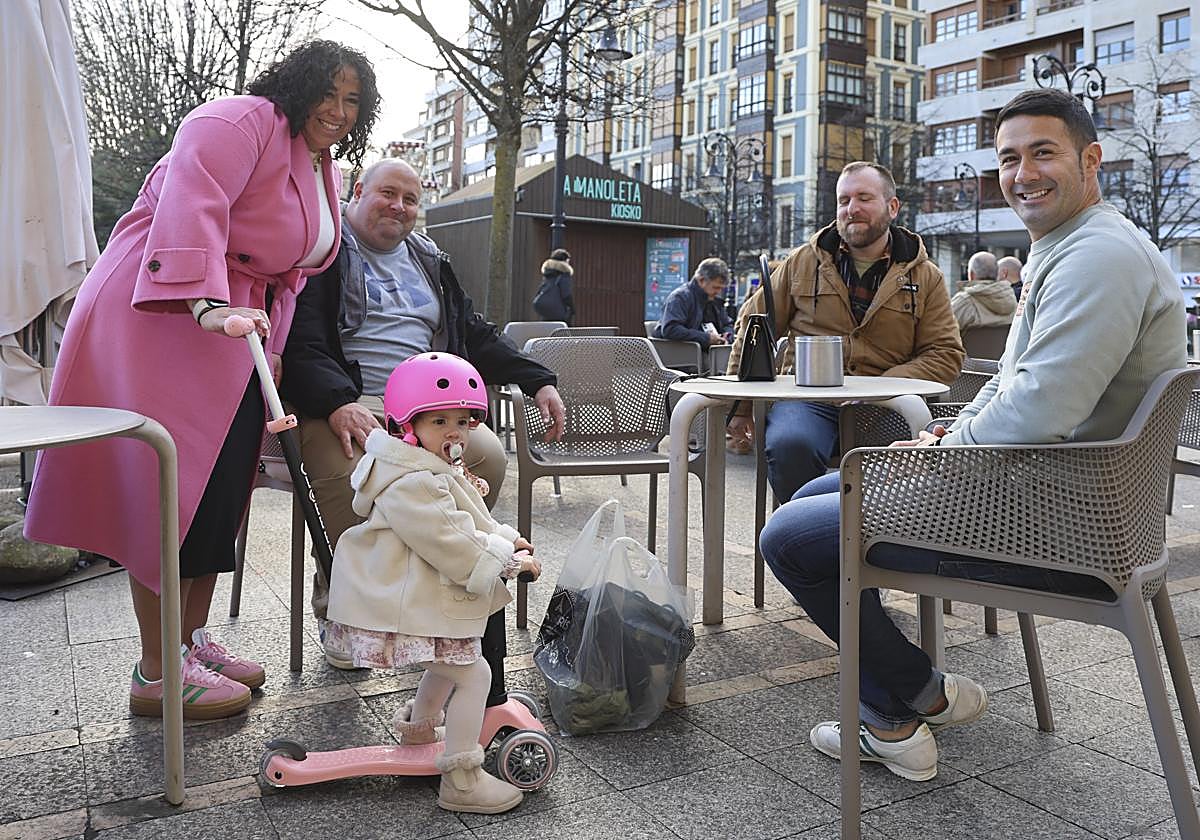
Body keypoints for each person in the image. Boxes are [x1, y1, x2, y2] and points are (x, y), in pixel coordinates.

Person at [758, 88, 1186, 782]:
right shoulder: (1071, 245)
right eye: (1009, 158)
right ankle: (915, 695)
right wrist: (948, 435)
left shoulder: (1096, 258)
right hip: (1049, 489)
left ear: (1092, 158)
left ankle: (895, 717)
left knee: (792, 539)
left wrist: (945, 451)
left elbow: (1042, 406)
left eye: (1043, 153)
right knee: (812, 489)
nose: (1024, 174)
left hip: (1060, 523)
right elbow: (1014, 381)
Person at [23, 41, 380, 719]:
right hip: (164, 313)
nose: (337, 110)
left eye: (352, 100)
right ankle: (157, 671)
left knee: (220, 494)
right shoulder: (238, 120)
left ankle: (188, 641)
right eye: (329, 93)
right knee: (168, 489)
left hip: (239, 329)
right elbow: (194, 202)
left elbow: (296, 270)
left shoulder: (320, 161)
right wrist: (204, 302)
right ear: (296, 86)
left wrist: (268, 343)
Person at [279, 158, 566, 659]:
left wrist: (536, 378)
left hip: (425, 407)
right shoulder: (325, 253)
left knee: (487, 456)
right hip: (345, 401)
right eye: (387, 194)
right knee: (361, 475)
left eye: (410, 199)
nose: (399, 206)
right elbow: (300, 340)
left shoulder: (429, 259)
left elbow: (472, 333)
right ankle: (345, 606)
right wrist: (337, 402)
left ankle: (432, 593)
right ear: (357, 192)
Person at [324, 352, 540, 814]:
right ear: (408, 425)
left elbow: (463, 520)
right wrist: (508, 559)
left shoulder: (422, 468)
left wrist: (503, 537)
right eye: (439, 420)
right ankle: (461, 780)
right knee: (473, 673)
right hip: (408, 595)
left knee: (447, 665)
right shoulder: (415, 480)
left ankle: (421, 729)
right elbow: (453, 542)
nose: (453, 432)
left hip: (418, 592)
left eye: (463, 421)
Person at [726, 162, 964, 503]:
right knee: (791, 444)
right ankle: (798, 539)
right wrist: (740, 404)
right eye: (844, 200)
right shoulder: (803, 261)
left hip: (888, 405)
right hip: (808, 399)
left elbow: (945, 354)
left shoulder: (925, 276)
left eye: (864, 198)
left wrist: (883, 386)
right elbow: (753, 326)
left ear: (892, 207)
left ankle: (869, 545)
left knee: (907, 469)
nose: (852, 209)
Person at [652, 257, 734, 347]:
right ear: (701, 280)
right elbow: (671, 329)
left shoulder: (714, 299)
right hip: (683, 354)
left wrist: (728, 335)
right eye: (716, 287)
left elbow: (727, 323)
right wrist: (706, 338)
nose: (718, 292)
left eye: (721, 288)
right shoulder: (680, 297)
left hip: (707, 353)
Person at [950, 250, 1016, 331]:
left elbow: (941, 330)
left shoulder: (964, 301)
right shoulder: (1011, 297)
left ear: (971, 274)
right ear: (997, 274)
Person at [532, 248, 575, 324]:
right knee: (563, 328)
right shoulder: (564, 274)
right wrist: (572, 308)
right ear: (565, 261)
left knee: (546, 327)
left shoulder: (548, 273)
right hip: (557, 309)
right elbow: (566, 294)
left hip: (543, 307)